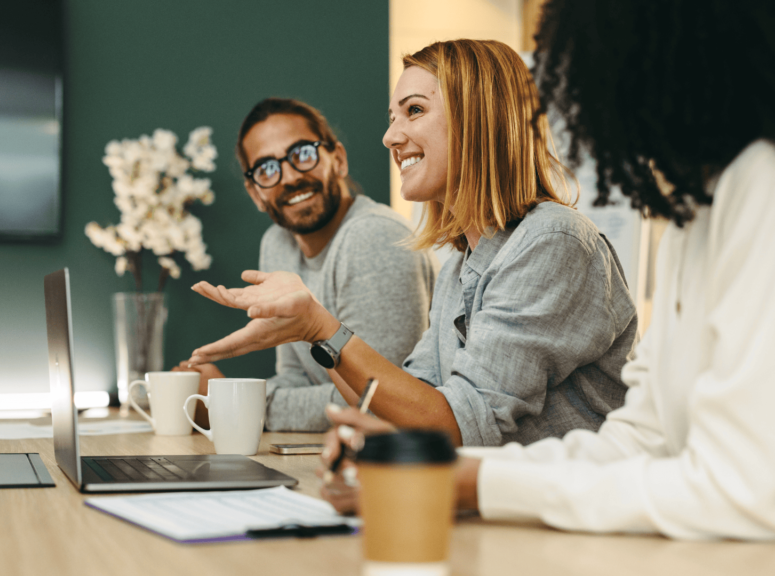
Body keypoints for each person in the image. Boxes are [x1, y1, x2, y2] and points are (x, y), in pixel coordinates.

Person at [322, 0, 775, 540]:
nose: (578, 102)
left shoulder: (758, 188)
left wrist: (472, 484)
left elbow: (745, 492)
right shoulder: (691, 216)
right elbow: (639, 441)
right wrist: (437, 467)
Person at [187, 39, 637, 448]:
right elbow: (406, 403)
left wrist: (319, 327)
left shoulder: (552, 241)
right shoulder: (461, 266)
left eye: (415, 110)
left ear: (476, 116)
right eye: (392, 118)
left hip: (568, 522)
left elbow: (457, 424)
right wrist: (313, 336)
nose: (390, 137)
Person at [177, 98, 437, 432]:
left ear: (338, 159)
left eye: (302, 153)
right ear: (256, 193)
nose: (289, 177)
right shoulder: (277, 243)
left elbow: (380, 404)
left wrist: (232, 404)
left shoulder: (374, 237)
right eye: (267, 169)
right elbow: (296, 378)